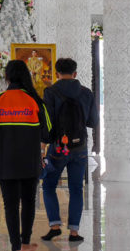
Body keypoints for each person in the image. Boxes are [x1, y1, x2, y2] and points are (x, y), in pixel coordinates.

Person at [0, 60, 51, 251]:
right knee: (29, 202)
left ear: (7, 77)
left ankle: (15, 246)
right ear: (26, 76)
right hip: (30, 162)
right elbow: (48, 133)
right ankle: (26, 242)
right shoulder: (36, 101)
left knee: (10, 205)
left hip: (4, 163)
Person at [40, 57, 99, 243]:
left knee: (49, 185)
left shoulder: (50, 92)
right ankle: (74, 232)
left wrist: (45, 144)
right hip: (80, 147)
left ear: (57, 74)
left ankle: (55, 226)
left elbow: (47, 122)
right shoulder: (86, 93)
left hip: (58, 147)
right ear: (75, 73)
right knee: (76, 188)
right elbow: (93, 122)